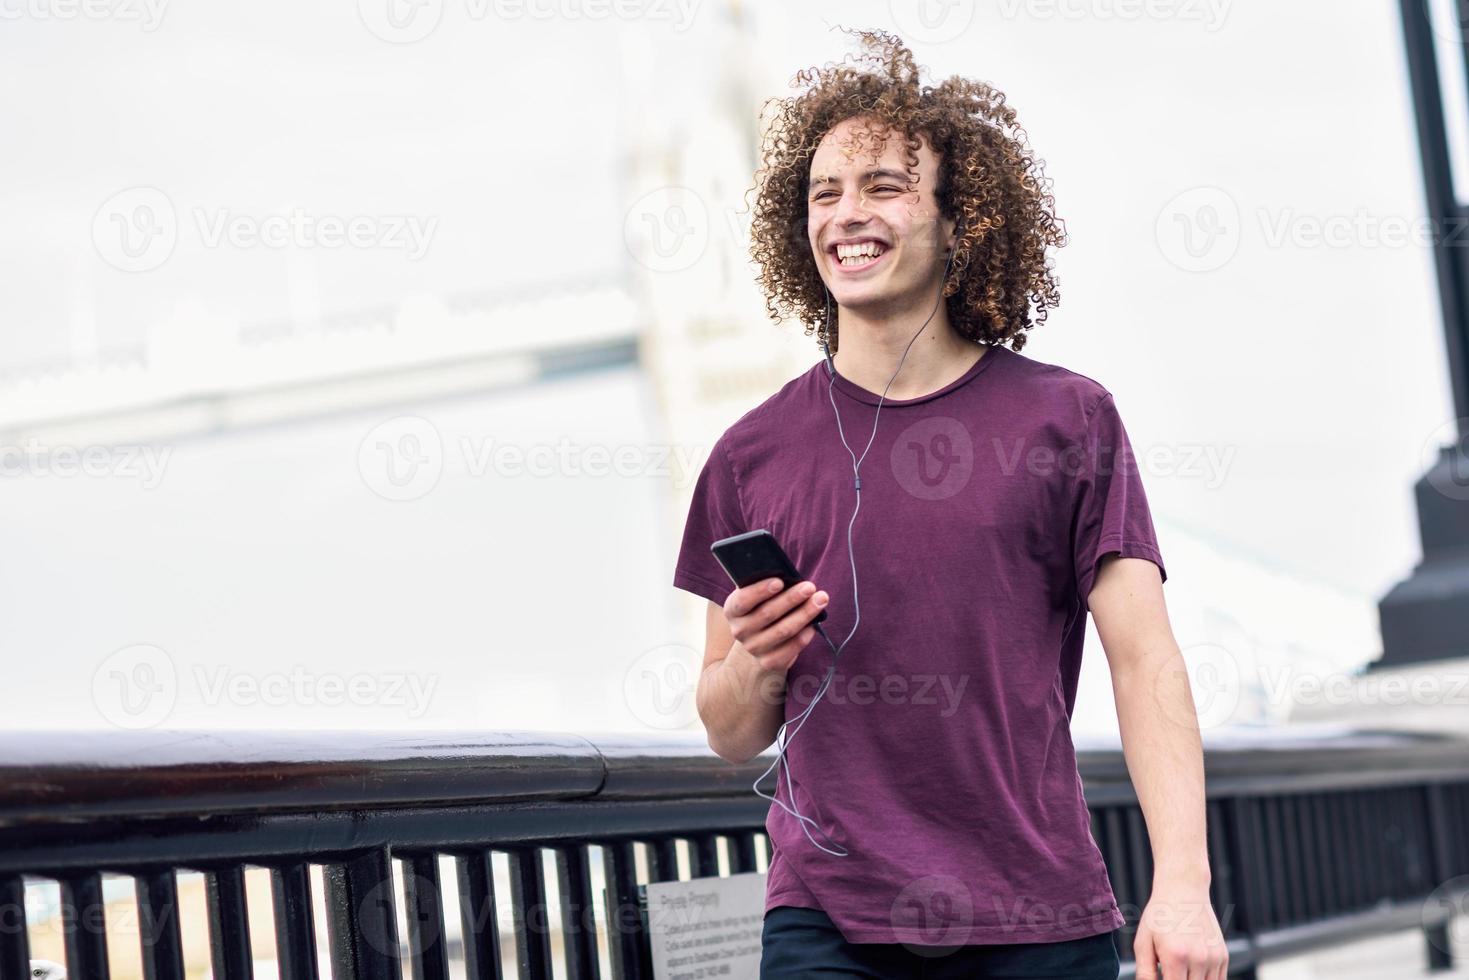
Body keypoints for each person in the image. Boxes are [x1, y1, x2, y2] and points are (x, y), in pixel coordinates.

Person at [672, 28, 1228, 980]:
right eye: (824, 193)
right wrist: (759, 662)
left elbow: (1144, 662)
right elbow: (729, 731)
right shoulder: (745, 455)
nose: (847, 213)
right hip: (828, 927)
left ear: (956, 216)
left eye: (883, 185)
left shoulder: (1070, 419)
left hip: (1038, 918)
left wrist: (1181, 885)